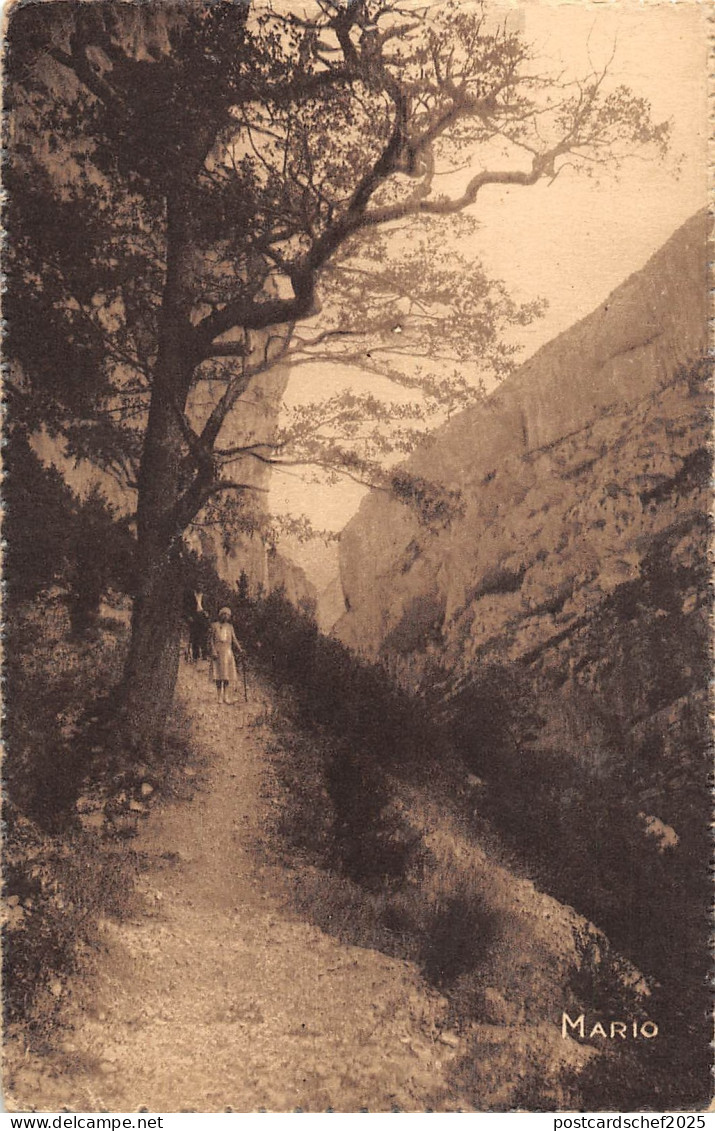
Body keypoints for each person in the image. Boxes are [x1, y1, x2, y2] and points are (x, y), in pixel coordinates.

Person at [209, 606, 243, 704]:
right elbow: (211, 640)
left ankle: (226, 696)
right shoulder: (214, 625)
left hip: (227, 652)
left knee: (227, 675)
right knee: (219, 675)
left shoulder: (230, 627)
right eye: (224, 614)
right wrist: (213, 650)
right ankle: (219, 696)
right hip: (218, 652)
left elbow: (234, 639)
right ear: (220, 615)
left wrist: (240, 649)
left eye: (227, 615)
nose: (225, 617)